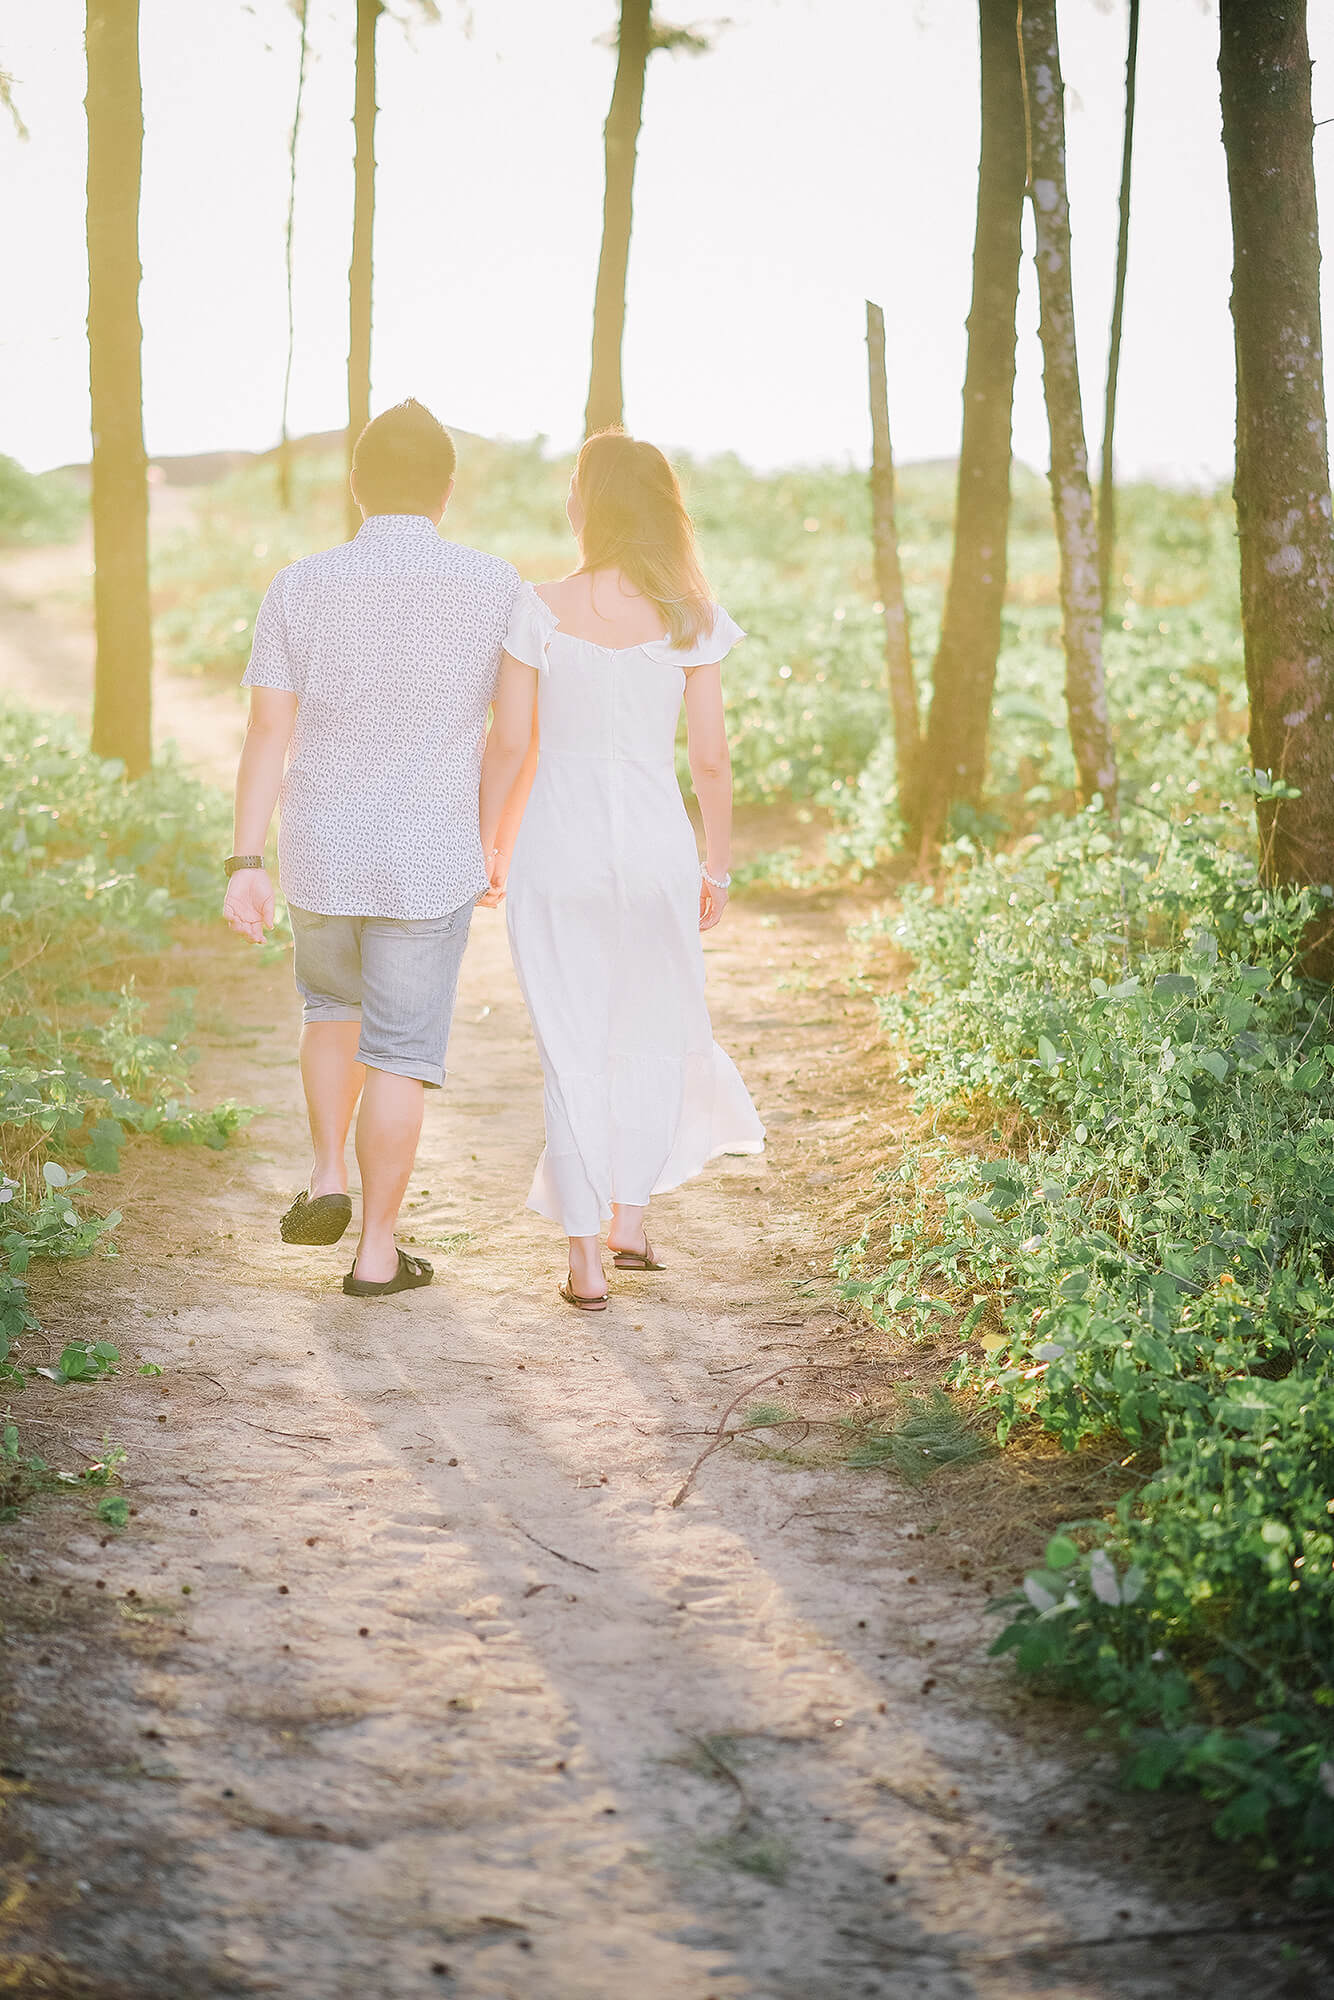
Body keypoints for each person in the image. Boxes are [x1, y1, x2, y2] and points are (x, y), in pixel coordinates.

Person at [223, 399, 519, 1297]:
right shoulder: (497, 585)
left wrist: (246, 860)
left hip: (322, 848)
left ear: (355, 485)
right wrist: (490, 841)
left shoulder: (299, 585)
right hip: (430, 855)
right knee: (399, 1051)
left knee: (328, 1008)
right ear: (449, 491)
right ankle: (379, 1252)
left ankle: (326, 1174)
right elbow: (512, 737)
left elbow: (267, 732)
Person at [478, 430, 764, 1311]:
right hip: (653, 850)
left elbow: (515, 743)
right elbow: (710, 761)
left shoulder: (533, 605)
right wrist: (716, 863)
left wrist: (486, 843)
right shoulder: (690, 616)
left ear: (586, 506)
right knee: (646, 1027)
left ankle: (584, 1260)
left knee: (570, 1045)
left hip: (554, 847)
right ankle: (629, 1218)